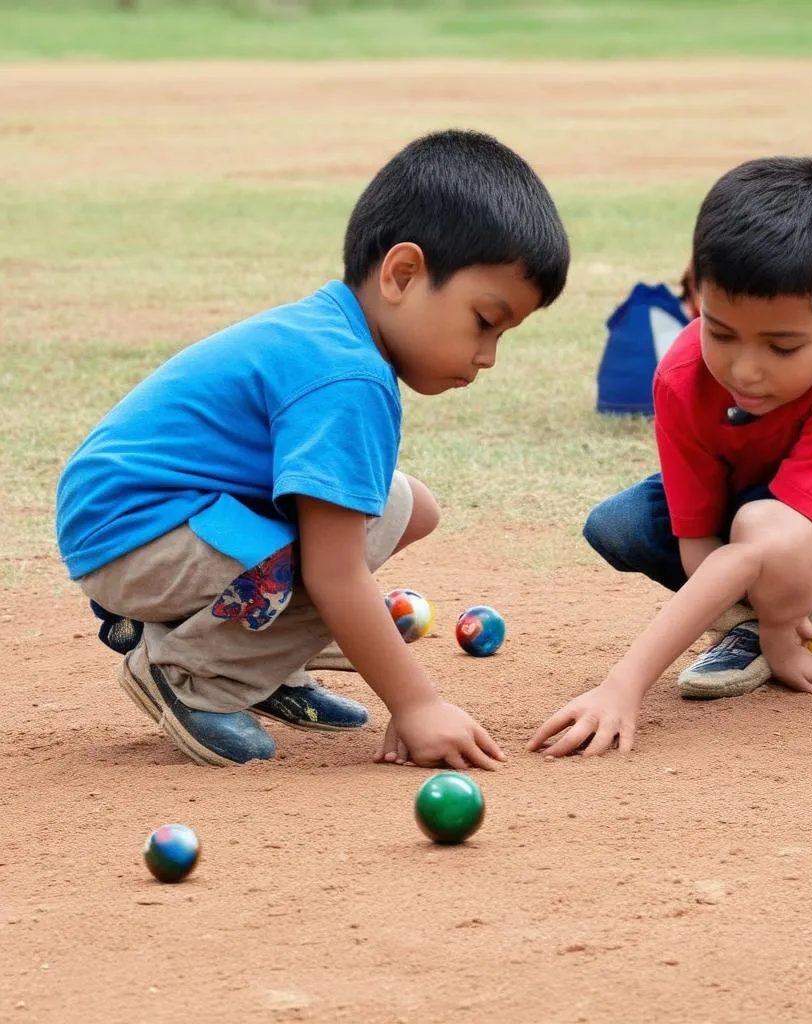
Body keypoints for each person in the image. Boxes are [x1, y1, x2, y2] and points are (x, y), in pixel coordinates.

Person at [57, 129, 570, 769]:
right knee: (358, 537)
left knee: (407, 506)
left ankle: (260, 664)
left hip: (139, 523)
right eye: (484, 322)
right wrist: (417, 705)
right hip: (138, 537)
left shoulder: (331, 331)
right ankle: (193, 675)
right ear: (403, 274)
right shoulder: (348, 377)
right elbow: (335, 575)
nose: (488, 356)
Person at [530, 155, 812, 759]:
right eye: (720, 333)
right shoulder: (680, 376)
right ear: (697, 291)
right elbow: (703, 542)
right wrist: (760, 621)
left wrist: (624, 685)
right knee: (619, 525)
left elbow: (767, 534)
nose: (744, 370)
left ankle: (810, 608)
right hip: (749, 499)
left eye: (781, 346)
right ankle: (756, 621)